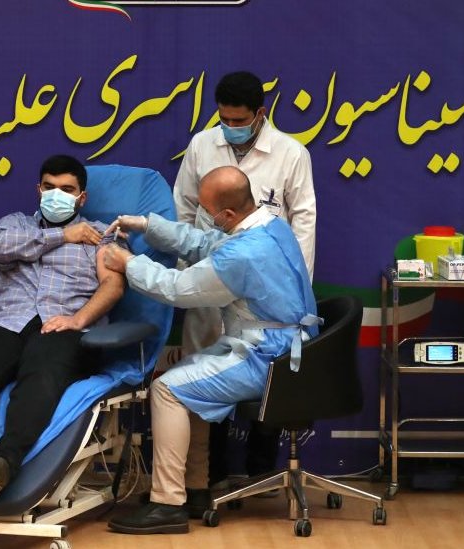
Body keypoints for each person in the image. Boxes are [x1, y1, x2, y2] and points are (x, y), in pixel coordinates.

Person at [102, 166, 318, 534]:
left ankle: (167, 504)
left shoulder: (243, 255)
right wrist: (146, 224)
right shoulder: (270, 225)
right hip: (281, 346)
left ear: (228, 214)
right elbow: (203, 244)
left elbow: (178, 288)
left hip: (268, 357)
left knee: (167, 389)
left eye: (207, 210)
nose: (204, 217)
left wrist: (130, 263)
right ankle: (195, 488)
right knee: (183, 375)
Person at [0, 155, 126, 501]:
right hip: (8, 322)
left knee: (42, 371)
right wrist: (62, 235)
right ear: (38, 190)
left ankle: (4, 461)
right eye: (49, 187)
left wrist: (78, 320)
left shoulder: (102, 236)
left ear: (82, 198)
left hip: (63, 326)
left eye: (67, 189)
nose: (56, 194)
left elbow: (112, 286)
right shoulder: (14, 225)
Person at [172, 71, 316, 488]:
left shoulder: (291, 153)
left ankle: (260, 475)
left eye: (239, 121)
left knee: (267, 376)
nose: (230, 128)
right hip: (212, 280)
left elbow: (304, 222)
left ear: (260, 114)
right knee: (202, 373)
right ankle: (207, 478)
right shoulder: (202, 144)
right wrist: (190, 271)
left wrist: (293, 288)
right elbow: (183, 206)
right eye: (224, 120)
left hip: (265, 294)